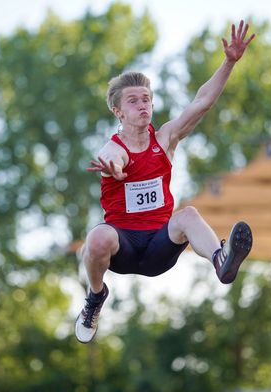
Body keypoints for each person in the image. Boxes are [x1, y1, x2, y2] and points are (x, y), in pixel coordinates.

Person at [75, 21, 255, 343]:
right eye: (133, 101)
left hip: (160, 247)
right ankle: (95, 297)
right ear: (118, 111)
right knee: (97, 237)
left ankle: (221, 262)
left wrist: (229, 62)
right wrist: (114, 170)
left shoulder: (166, 139)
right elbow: (114, 158)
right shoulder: (114, 149)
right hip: (124, 248)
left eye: (146, 99)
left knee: (188, 215)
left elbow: (202, 103)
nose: (143, 105)